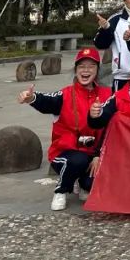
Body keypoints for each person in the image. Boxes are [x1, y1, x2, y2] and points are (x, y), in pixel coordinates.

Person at [17, 47, 110, 211]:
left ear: (97, 70)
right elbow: (47, 101)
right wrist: (31, 98)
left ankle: (81, 183)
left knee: (91, 182)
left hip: (93, 154)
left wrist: (98, 155)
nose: (86, 70)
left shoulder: (107, 94)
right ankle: (61, 190)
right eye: (81, 66)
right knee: (78, 160)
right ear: (75, 70)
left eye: (91, 66)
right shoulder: (65, 94)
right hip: (65, 153)